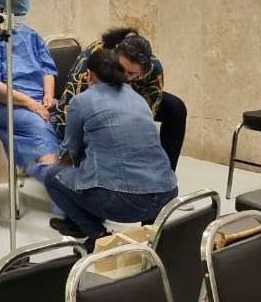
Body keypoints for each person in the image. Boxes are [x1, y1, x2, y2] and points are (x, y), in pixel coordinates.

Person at [33, 47, 178, 243]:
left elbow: (70, 153)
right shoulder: (138, 98)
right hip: (168, 194)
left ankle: (99, 237)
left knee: (53, 177)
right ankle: (149, 236)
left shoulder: (81, 101)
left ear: (89, 74)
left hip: (125, 202)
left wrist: (55, 164)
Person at [55, 28, 188, 170]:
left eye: (132, 73)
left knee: (175, 108)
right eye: (121, 69)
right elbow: (67, 108)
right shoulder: (95, 58)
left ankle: (165, 171)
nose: (124, 76)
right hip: (97, 103)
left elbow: (145, 118)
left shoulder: (154, 69)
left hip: (130, 102)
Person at [0, 0, 61, 172]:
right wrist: (32, 105)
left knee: (67, 118)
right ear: (0, 11)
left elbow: (47, 69)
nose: (20, 21)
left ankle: (66, 175)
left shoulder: (29, 34)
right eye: (17, 15)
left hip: (37, 100)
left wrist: (47, 95)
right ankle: (54, 179)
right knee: (37, 124)